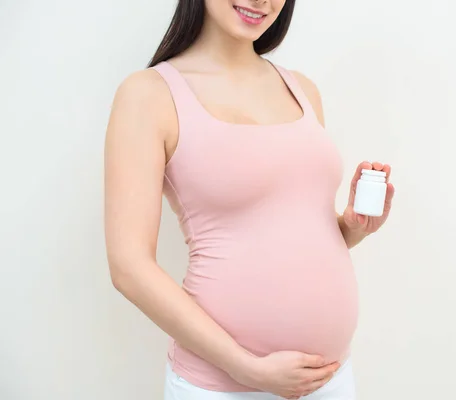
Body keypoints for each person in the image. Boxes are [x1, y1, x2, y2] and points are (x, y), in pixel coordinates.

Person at [104, 0, 394, 399]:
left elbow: (294, 229)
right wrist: (244, 367)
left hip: (330, 379)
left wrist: (351, 227)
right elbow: (129, 267)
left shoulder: (301, 88)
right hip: (223, 387)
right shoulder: (148, 94)